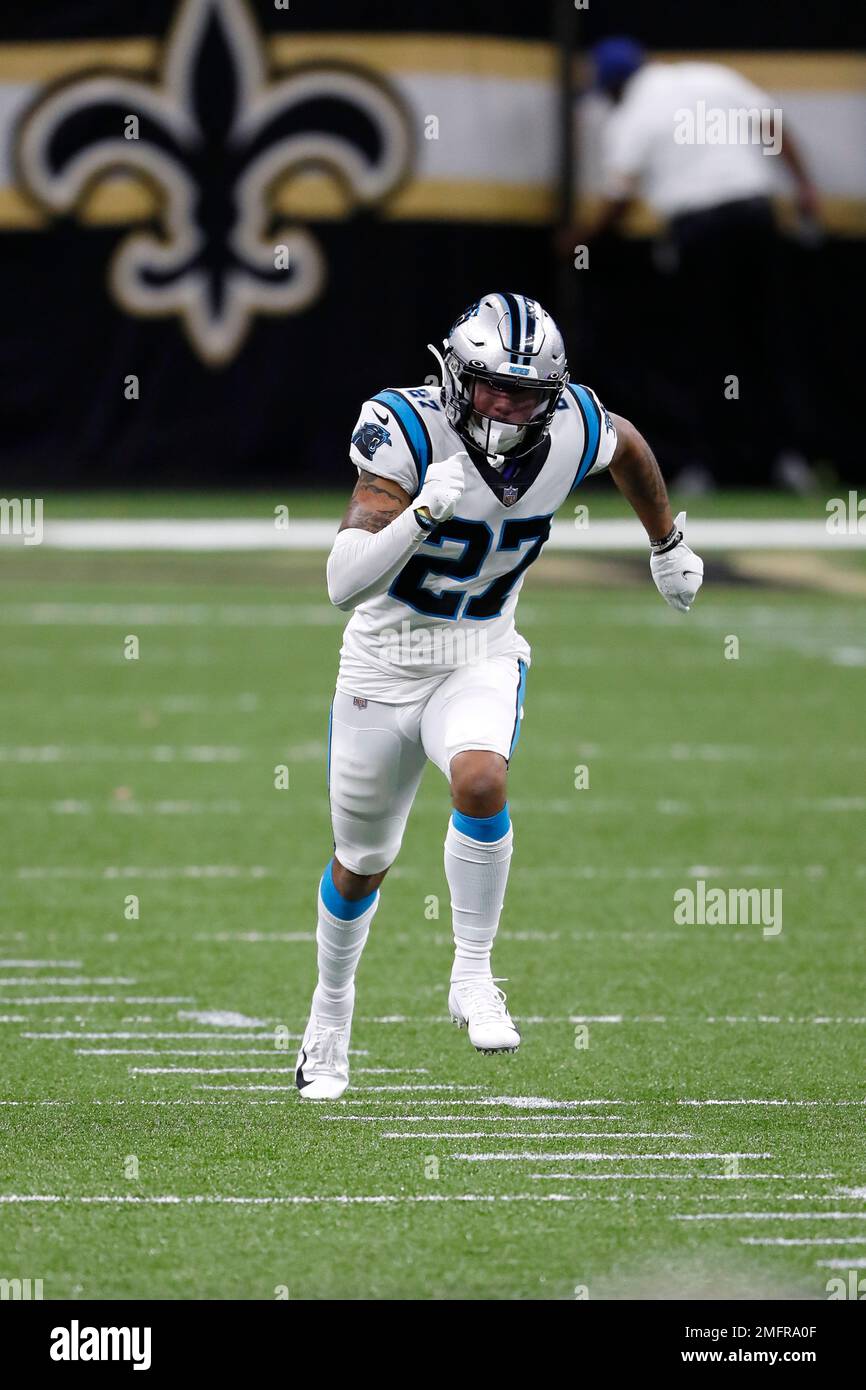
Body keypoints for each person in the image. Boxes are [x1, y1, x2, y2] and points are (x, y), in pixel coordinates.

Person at [295, 292, 704, 1099]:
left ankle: (473, 974)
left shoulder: (572, 426)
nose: (508, 407)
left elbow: (627, 446)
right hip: (383, 664)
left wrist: (667, 541)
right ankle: (329, 1018)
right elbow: (342, 585)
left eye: (526, 394)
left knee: (481, 779)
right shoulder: (405, 429)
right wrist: (420, 512)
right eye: (490, 387)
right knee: (362, 861)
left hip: (478, 652)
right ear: (455, 376)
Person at [571, 38, 820, 486]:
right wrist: (804, 187)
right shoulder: (712, 76)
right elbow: (772, 124)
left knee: (706, 350)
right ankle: (787, 458)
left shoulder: (630, 116)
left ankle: (710, 463)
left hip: (700, 234)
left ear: (611, 88)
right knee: (769, 339)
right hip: (756, 217)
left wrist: (579, 238)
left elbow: (619, 197)